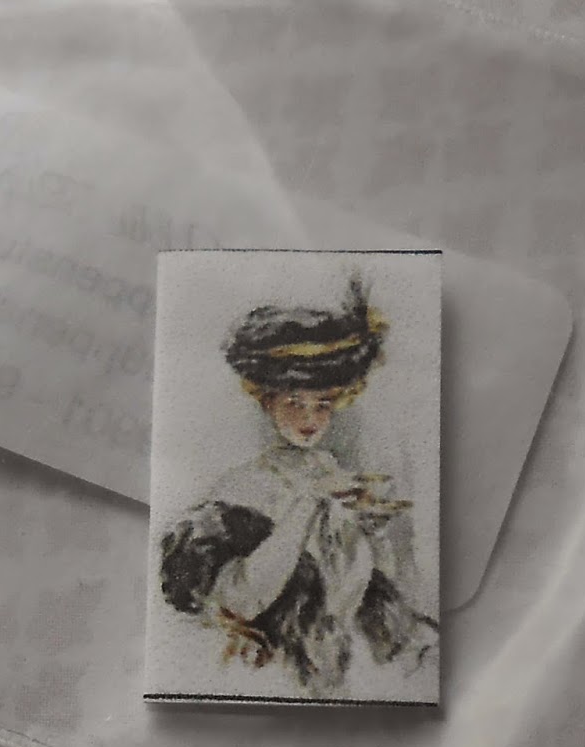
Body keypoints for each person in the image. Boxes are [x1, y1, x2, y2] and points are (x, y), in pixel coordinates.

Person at [159, 277, 437, 697]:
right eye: (294, 403)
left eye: (322, 404)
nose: (310, 419)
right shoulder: (243, 486)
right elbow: (243, 600)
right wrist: (310, 501)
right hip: (275, 670)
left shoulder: (331, 471)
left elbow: (349, 590)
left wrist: (367, 530)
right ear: (267, 402)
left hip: (345, 667)